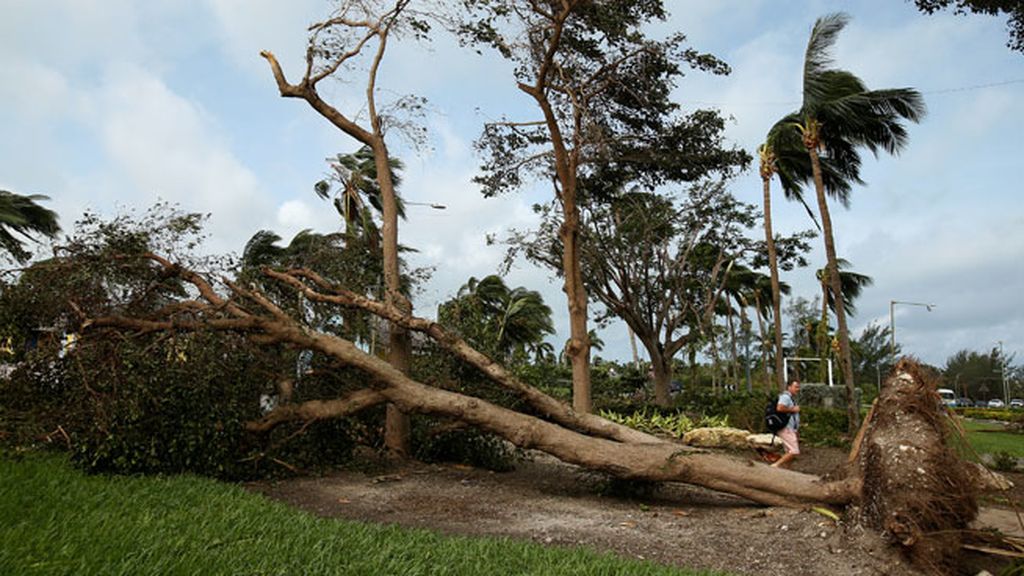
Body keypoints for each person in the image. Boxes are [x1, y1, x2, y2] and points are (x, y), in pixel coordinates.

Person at [771, 379, 801, 468]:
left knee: (789, 452)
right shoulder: (785, 397)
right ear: (789, 387)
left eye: (798, 387)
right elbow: (779, 408)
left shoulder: (790, 398)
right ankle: (775, 465)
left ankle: (787, 471)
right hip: (786, 428)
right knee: (794, 451)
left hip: (790, 428)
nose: (797, 389)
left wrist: (795, 429)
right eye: (796, 387)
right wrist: (793, 409)